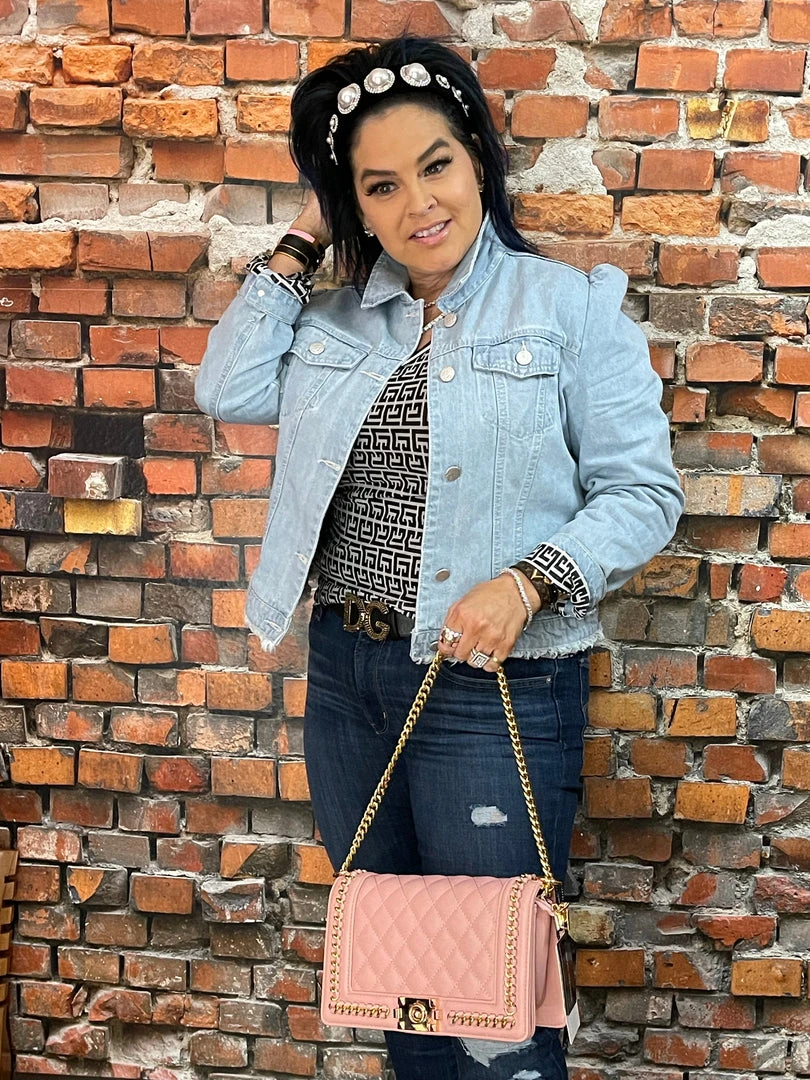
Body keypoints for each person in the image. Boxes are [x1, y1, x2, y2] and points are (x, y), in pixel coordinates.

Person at [194, 33, 684, 1080]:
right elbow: (225, 387)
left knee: (495, 1009)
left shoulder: (568, 308)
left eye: (436, 166)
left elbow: (645, 494)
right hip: (349, 680)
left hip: (490, 690)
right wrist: (308, 231)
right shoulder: (336, 322)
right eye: (380, 186)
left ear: (477, 161)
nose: (419, 204)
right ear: (356, 206)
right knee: (406, 986)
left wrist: (528, 582)